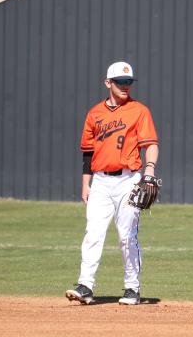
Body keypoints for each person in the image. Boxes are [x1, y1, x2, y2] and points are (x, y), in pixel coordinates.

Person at [65, 61, 159, 305]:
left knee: (127, 236)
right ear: (108, 83)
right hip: (101, 182)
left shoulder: (139, 110)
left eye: (129, 82)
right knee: (93, 233)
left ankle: (132, 288)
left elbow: (151, 144)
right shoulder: (95, 113)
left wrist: (149, 172)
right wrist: (85, 184)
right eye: (120, 82)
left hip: (128, 179)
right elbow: (87, 152)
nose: (125, 86)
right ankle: (85, 285)